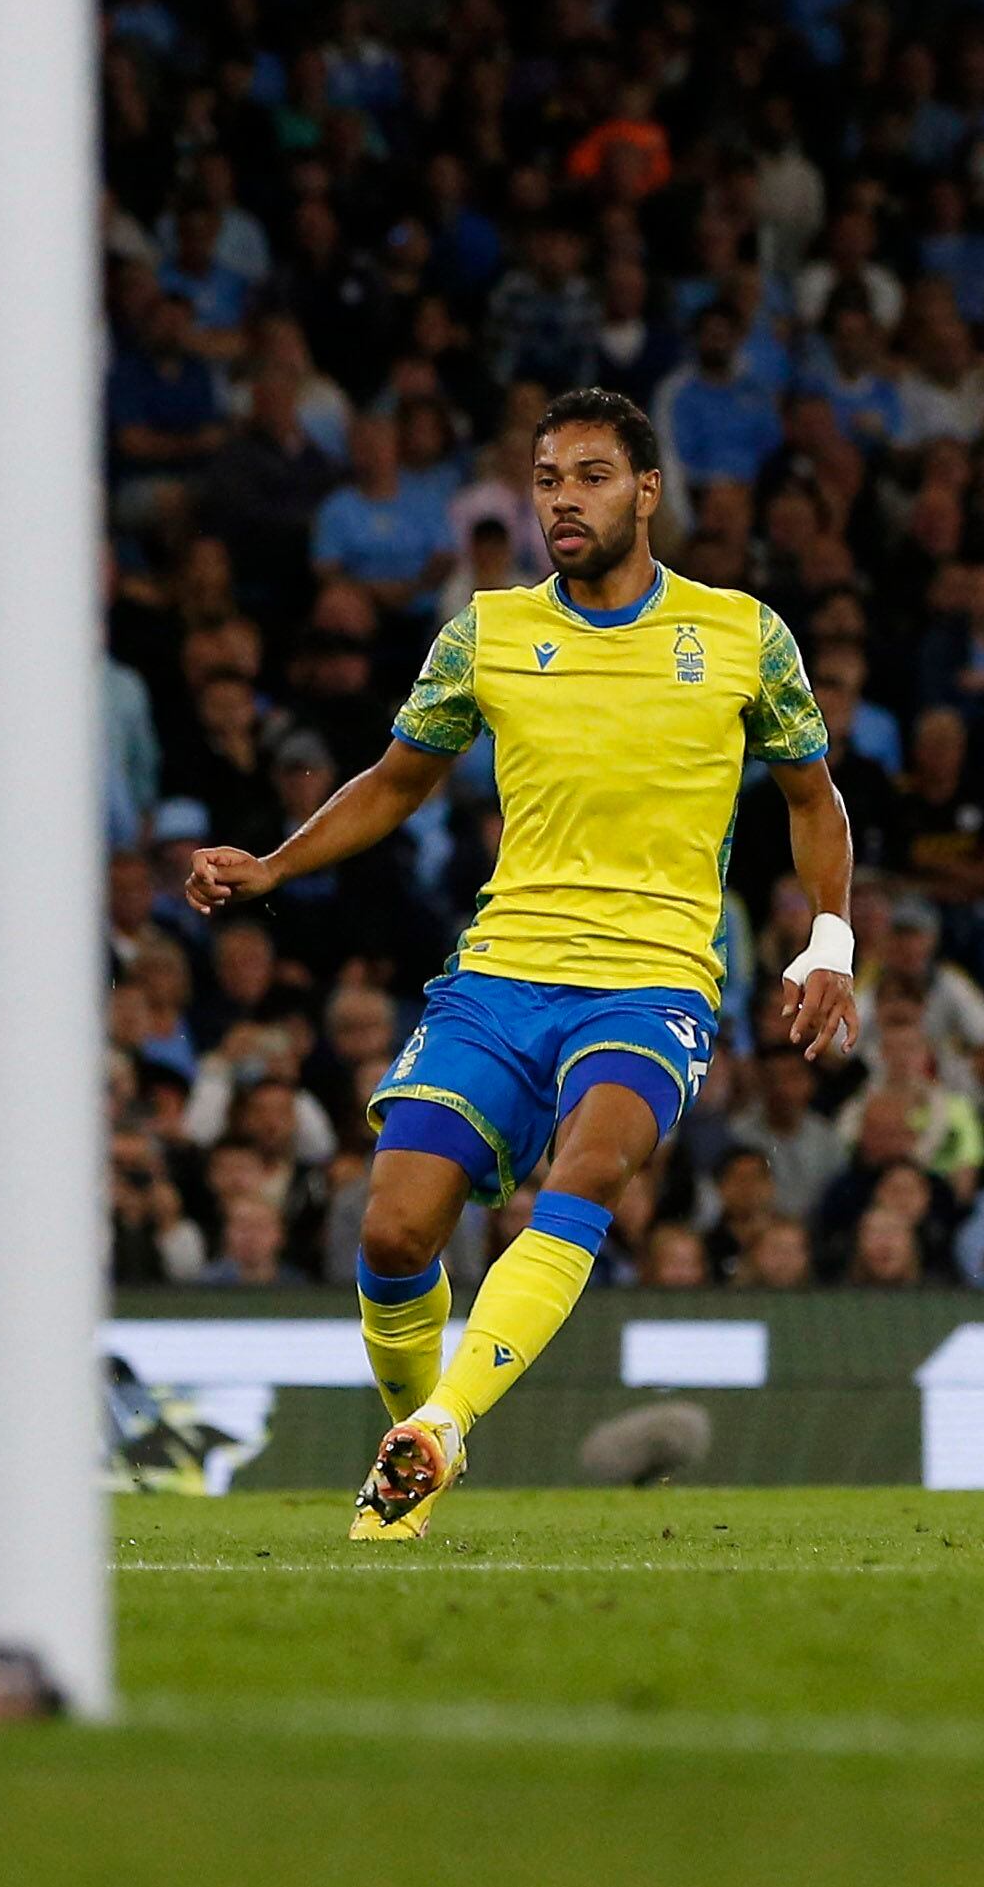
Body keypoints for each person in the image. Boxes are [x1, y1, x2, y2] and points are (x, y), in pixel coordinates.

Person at [186, 387, 857, 1540]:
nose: (562, 499)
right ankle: (425, 1445)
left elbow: (812, 796)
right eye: (546, 479)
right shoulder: (485, 633)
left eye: (590, 475)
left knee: (586, 1165)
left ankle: (439, 1426)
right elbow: (395, 780)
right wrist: (274, 865)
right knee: (392, 1232)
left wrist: (828, 939)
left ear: (646, 490)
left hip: (651, 978)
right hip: (500, 973)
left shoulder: (740, 632)